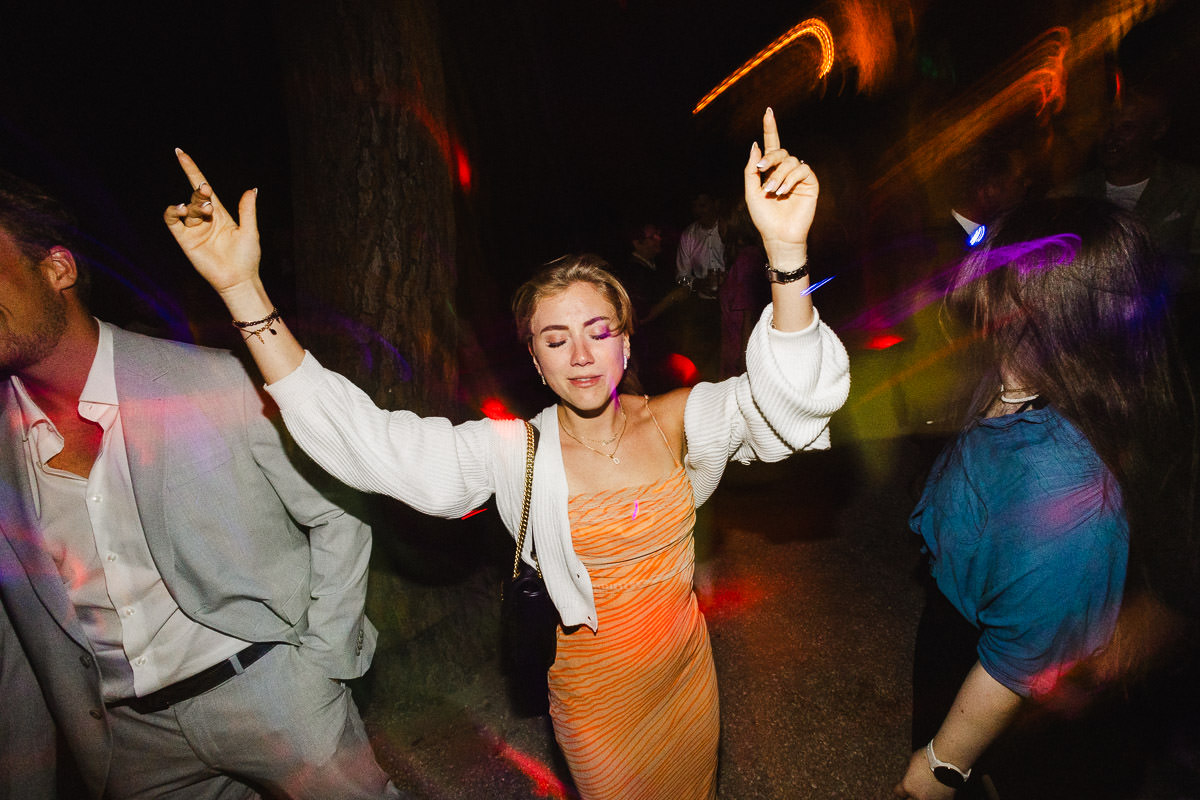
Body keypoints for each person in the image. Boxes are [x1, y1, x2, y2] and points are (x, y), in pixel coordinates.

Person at [164, 108, 850, 800]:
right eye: (555, 340)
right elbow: (369, 442)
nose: (581, 355)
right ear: (536, 360)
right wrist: (241, 290)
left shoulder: (679, 419)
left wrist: (785, 253)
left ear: (626, 342)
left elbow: (792, 404)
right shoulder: (515, 453)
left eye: (597, 330)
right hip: (599, 704)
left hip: (687, 676)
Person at [0, 170, 400, 799]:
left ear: (57, 269)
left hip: (273, 692)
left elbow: (338, 511)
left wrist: (321, 665)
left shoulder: (211, 382)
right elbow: (22, 634)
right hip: (128, 745)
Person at [893, 198, 1195, 799]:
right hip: (959, 617)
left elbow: (1017, 661)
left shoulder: (1073, 492)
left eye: (1003, 300)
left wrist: (938, 767)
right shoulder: (1027, 370)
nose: (982, 313)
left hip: (1022, 678)